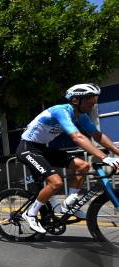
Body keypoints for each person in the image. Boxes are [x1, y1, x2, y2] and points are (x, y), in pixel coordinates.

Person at [16, 83, 119, 233]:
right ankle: (30, 214)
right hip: (27, 148)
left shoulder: (80, 115)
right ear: (76, 100)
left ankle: (69, 205)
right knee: (55, 182)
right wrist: (104, 157)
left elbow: (97, 135)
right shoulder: (61, 110)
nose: (93, 104)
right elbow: (77, 137)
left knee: (83, 166)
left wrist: (116, 152)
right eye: (90, 101)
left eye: (94, 101)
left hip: (42, 149)